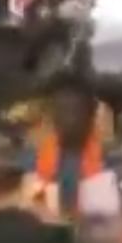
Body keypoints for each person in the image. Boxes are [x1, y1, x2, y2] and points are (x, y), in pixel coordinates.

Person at [26, 70, 104, 216]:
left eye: (75, 110)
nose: (67, 119)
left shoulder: (110, 161)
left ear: (90, 114)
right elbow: (30, 209)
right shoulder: (32, 161)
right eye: (60, 110)